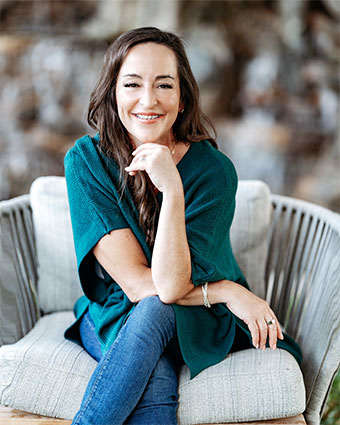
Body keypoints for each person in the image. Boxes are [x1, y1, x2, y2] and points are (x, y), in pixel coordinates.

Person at [64, 27, 302, 425]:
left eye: (164, 85)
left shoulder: (214, 172)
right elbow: (142, 286)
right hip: (119, 310)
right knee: (154, 358)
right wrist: (225, 290)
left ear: (183, 97)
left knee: (158, 312)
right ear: (113, 93)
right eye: (132, 84)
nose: (148, 100)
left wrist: (172, 189)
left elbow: (171, 290)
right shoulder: (86, 162)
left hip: (197, 319)